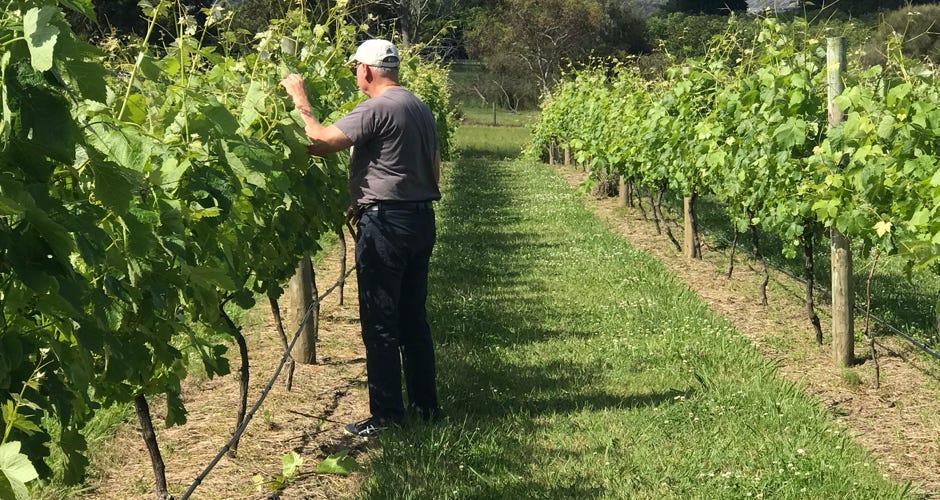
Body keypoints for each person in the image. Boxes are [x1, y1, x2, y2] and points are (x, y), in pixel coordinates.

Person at [280, 39, 442, 437]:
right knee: (412, 319)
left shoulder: (377, 107)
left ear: (367, 70)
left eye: (356, 68)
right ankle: (426, 408)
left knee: (380, 320)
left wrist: (300, 100)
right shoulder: (418, 107)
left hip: (388, 226)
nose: (356, 75)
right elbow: (432, 169)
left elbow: (318, 142)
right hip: (420, 219)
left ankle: (387, 417)